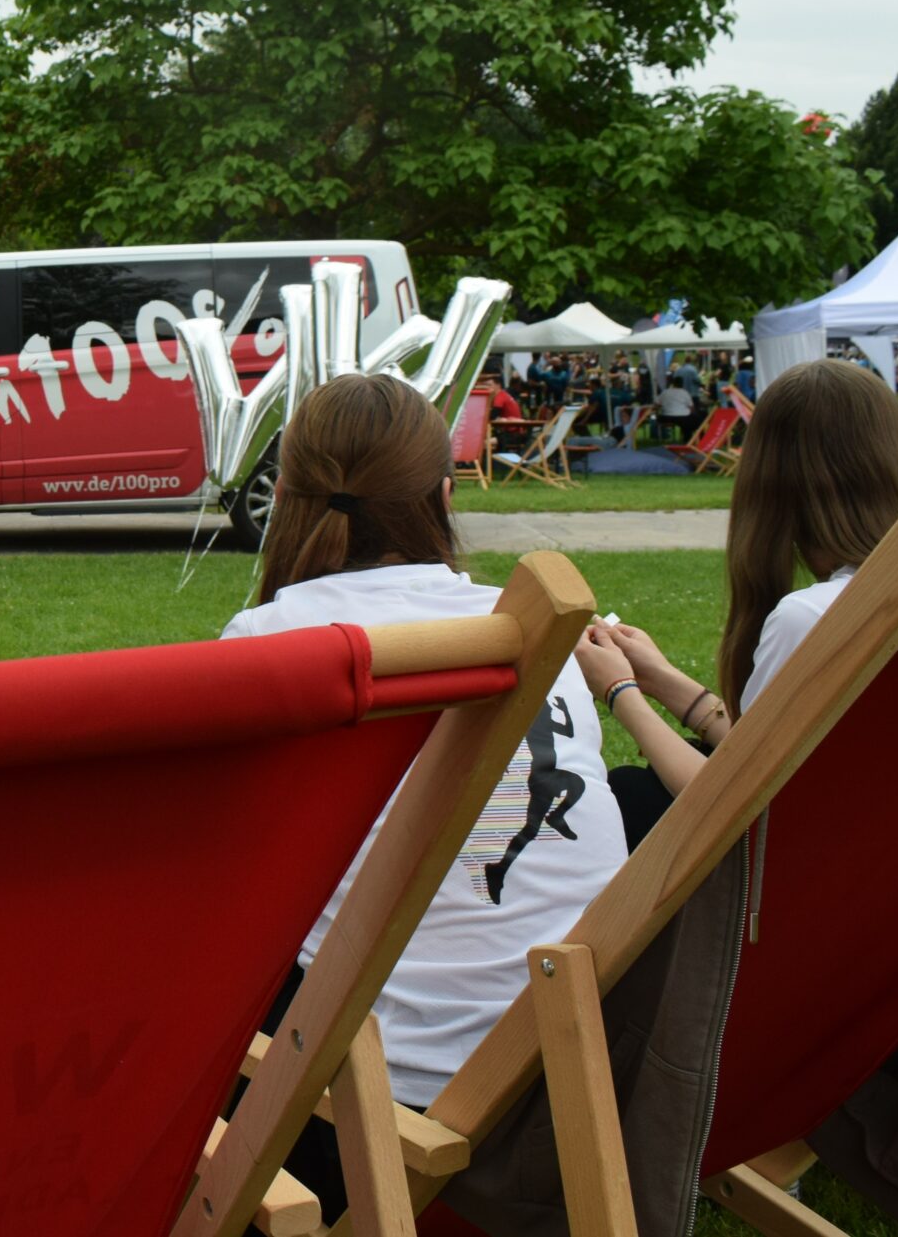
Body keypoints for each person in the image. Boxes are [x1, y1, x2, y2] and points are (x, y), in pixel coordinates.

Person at [216, 372, 622, 1219]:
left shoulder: (263, 645)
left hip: (396, 1082)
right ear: (443, 491)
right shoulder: (524, 628)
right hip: (583, 1057)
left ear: (285, 492)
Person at [580, 359, 898, 842]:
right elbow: (778, 762)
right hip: (893, 847)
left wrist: (619, 691)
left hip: (800, 869)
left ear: (772, 481)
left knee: (627, 795)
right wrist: (662, 681)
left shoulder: (815, 617)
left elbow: (728, 801)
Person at [656, 374, 697, 440]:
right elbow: (691, 407)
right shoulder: (685, 393)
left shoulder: (665, 392)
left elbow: (657, 404)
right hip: (683, 417)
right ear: (682, 384)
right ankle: (688, 438)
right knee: (692, 421)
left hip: (666, 417)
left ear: (673, 383)